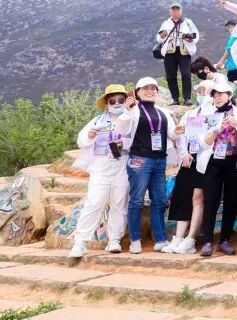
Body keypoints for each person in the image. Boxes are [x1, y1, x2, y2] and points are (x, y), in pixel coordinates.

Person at [68, 84, 134, 258]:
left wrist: (124, 143)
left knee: (119, 202)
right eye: (112, 101)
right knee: (94, 201)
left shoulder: (132, 118)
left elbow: (138, 140)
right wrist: (90, 135)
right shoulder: (97, 121)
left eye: (120, 100)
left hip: (123, 163)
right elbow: (82, 141)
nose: (117, 103)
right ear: (107, 103)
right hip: (101, 163)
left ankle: (114, 239)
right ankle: (80, 242)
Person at [126, 77, 181, 254]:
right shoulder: (133, 110)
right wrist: (127, 111)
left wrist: (177, 131)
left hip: (159, 159)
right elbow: (121, 129)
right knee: (136, 200)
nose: (150, 91)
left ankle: (160, 239)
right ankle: (135, 240)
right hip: (140, 159)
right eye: (145, 88)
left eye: (153, 88)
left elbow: (171, 133)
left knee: (160, 200)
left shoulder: (162, 111)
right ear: (137, 92)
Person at [197, 79, 237, 257]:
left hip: (234, 162)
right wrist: (215, 131)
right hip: (214, 161)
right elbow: (203, 143)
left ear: (229, 95)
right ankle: (207, 241)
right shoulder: (209, 115)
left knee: (231, 201)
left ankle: (224, 240)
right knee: (210, 200)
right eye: (215, 95)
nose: (218, 98)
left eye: (221, 94)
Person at [163, 80, 212, 255]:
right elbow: (181, 134)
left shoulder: (215, 113)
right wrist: (183, 153)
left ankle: (191, 239)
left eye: (206, 91)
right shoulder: (191, 113)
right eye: (199, 91)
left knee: (197, 198)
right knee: (182, 196)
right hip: (189, 159)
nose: (202, 94)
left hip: (206, 159)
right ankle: (178, 237)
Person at [157, 3, 200, 105]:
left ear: (181, 11)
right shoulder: (166, 23)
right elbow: (159, 38)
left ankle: (187, 98)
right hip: (169, 51)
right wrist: (162, 36)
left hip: (184, 51)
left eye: (177, 10)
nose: (175, 12)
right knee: (171, 76)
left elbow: (196, 34)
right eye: (173, 10)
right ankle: (175, 99)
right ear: (170, 11)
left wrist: (191, 40)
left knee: (186, 74)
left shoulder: (188, 22)